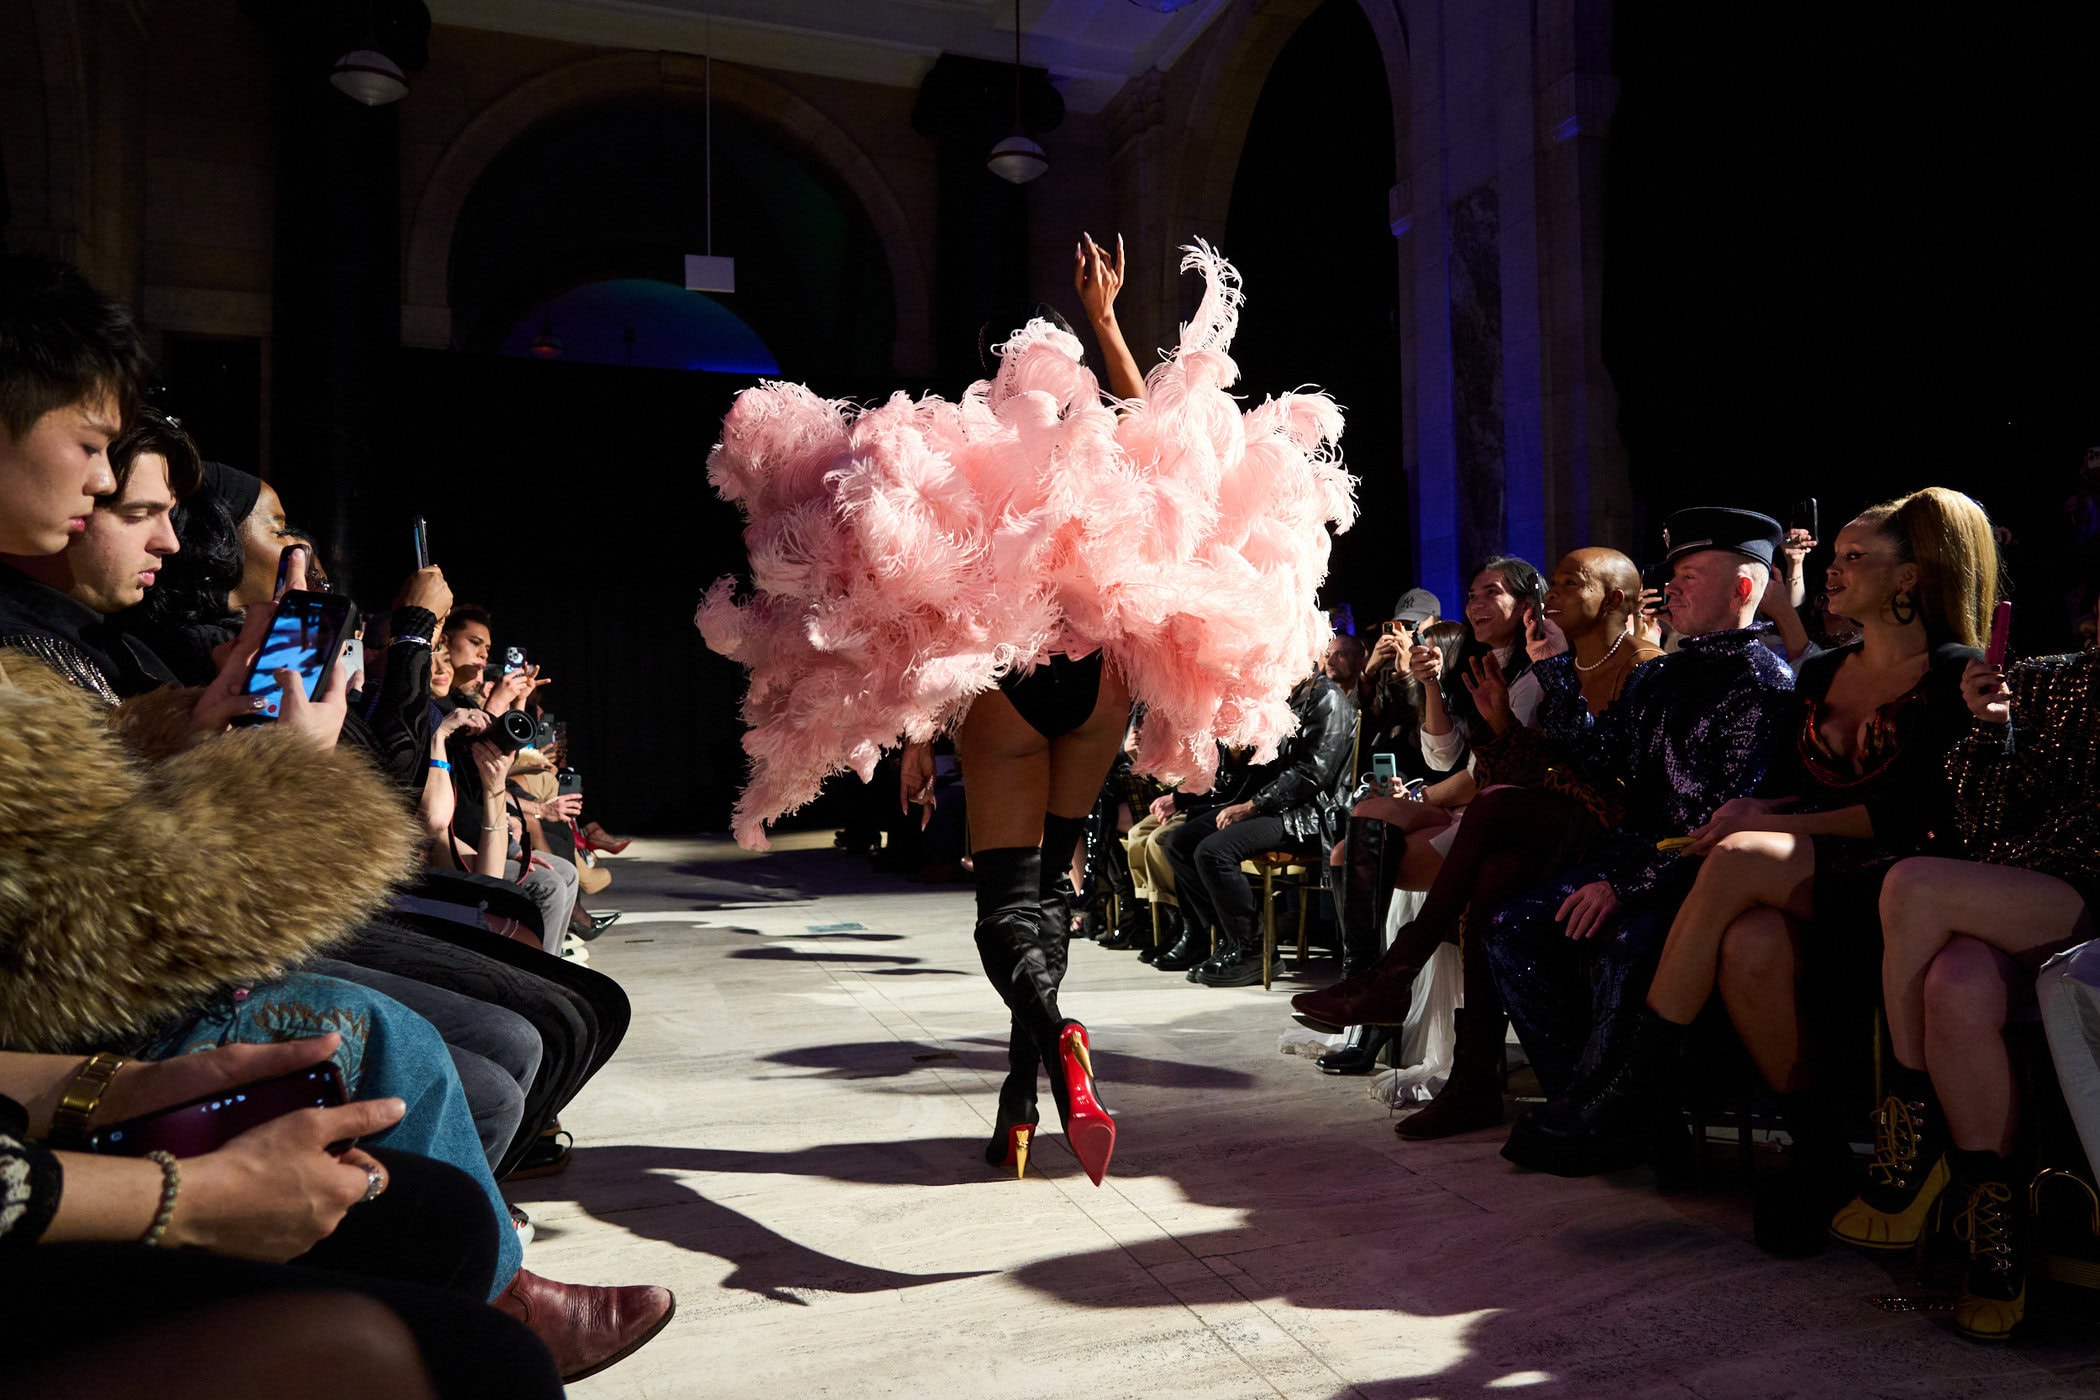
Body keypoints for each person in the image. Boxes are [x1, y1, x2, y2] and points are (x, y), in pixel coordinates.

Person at [701, 238, 1355, 1186]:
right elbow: (1167, 440)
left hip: (1003, 682)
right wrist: (1107, 317)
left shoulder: (953, 449)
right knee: (1052, 887)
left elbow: (906, 606)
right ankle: (1021, 1100)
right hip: (1098, 682)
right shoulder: (1099, 443)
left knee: (1006, 905)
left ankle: (1057, 1038)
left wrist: (920, 735)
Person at [1535, 491, 1999, 1216]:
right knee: (1748, 938)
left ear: (1909, 578)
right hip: (1822, 878)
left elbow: (1914, 815)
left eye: (1855, 558)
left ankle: (1637, 1080)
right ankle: (1816, 1149)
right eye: (1836, 556)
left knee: (1740, 858)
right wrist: (1764, 809)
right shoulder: (1820, 673)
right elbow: (1802, 795)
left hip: (1913, 888)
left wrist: (1779, 828)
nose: (1834, 572)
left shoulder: (1956, 672)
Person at [1294, 550, 1661, 1124]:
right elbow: (1515, 764)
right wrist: (1488, 720)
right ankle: (1469, 1077)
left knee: (1479, 815)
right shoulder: (1550, 660)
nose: (1554, 594)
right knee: (1483, 872)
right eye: (1474, 593)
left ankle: (1392, 977)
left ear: (1614, 599)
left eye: (1568, 583)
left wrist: (1513, 717)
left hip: (1602, 831)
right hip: (1530, 818)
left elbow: (1598, 772)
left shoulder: (1634, 663)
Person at [1481, 509, 1797, 1174]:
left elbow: (1720, 822)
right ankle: (1588, 1107)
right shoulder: (1660, 676)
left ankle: (1603, 1113)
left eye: (1690, 575)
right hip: (1634, 859)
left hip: (1698, 876)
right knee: (1509, 928)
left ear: (1742, 590)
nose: (1672, 587)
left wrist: (1623, 886)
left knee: (1625, 942)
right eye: (1673, 574)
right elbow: (1603, 759)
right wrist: (1558, 674)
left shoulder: (1763, 683)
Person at [1820, 617, 2100, 1340]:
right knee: (1956, 980)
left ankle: (1912, 1130)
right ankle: (1993, 1220)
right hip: (2022, 890)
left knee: (1910, 886)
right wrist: (1991, 730)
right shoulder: (2049, 677)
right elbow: (1980, 832)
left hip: (2088, 898)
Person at [1155, 667, 1356, 987]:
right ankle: (1229, 940)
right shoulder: (1277, 697)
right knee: (1180, 842)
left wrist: (1253, 805)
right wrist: (1235, 753)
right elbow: (1252, 770)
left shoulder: (1326, 697)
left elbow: (1312, 773)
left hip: (1309, 815)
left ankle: (1254, 950)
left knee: (1213, 851)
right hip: (1273, 804)